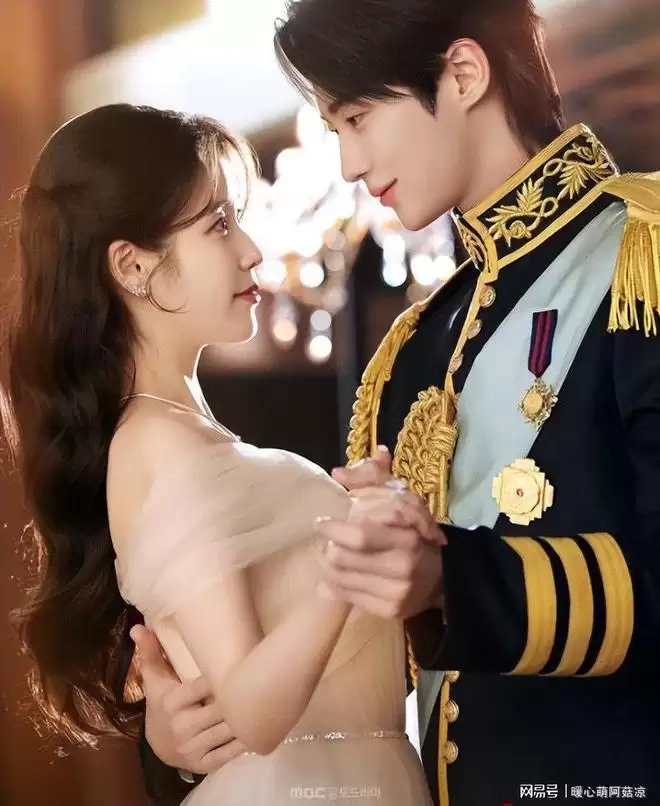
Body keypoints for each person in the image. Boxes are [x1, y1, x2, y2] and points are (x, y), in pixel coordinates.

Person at [137, 0, 660, 804]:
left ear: (464, 74)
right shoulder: (411, 354)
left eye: (357, 119)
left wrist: (455, 581)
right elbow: (364, 675)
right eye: (332, 129)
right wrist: (191, 729)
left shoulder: (640, 262)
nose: (348, 163)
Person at [5, 103, 441, 805]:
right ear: (133, 266)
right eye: (218, 225)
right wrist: (351, 560)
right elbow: (250, 711)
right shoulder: (156, 441)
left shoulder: (184, 435)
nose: (251, 251)